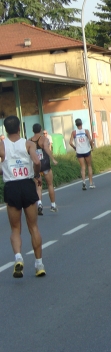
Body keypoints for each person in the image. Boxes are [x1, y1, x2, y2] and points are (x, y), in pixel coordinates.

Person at [0, 115, 46, 278]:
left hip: (11, 186)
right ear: (19, 128)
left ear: (5, 129)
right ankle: (39, 265)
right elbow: (37, 161)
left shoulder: (2, 145)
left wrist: (4, 170)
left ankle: (18, 257)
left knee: (15, 229)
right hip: (27, 185)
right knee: (33, 227)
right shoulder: (27, 143)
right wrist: (36, 175)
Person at [30, 124, 58, 215]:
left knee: (38, 187)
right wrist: (53, 159)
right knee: (50, 184)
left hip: (35, 165)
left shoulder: (29, 141)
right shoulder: (44, 139)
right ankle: (53, 205)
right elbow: (46, 148)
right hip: (45, 164)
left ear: (33, 130)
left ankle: (40, 204)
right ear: (41, 130)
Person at [69, 118, 95, 190]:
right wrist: (92, 147)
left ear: (76, 124)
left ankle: (84, 182)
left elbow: (70, 142)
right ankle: (90, 183)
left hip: (79, 151)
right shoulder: (86, 131)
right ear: (81, 123)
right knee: (89, 166)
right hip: (86, 150)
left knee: (83, 167)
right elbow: (90, 140)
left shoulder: (74, 132)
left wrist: (75, 148)